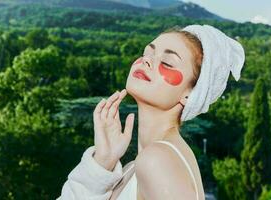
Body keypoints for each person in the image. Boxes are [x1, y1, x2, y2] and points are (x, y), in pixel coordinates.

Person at [56, 24, 245, 200]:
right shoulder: (133, 167)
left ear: (191, 95)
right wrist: (102, 162)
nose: (147, 60)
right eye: (147, 53)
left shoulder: (157, 161)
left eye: (168, 62)